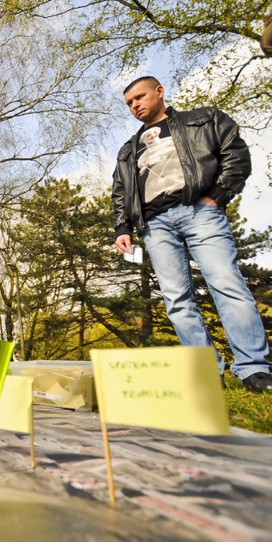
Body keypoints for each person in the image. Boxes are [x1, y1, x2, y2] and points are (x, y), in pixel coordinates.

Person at [112, 76, 272, 392]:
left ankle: (254, 370)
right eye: (129, 103)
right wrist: (122, 228)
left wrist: (216, 196)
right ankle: (207, 373)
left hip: (200, 213)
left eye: (139, 97)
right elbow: (121, 191)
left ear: (159, 92)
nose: (135, 106)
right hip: (155, 226)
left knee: (226, 283)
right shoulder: (128, 150)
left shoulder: (204, 119)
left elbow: (235, 154)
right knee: (176, 300)